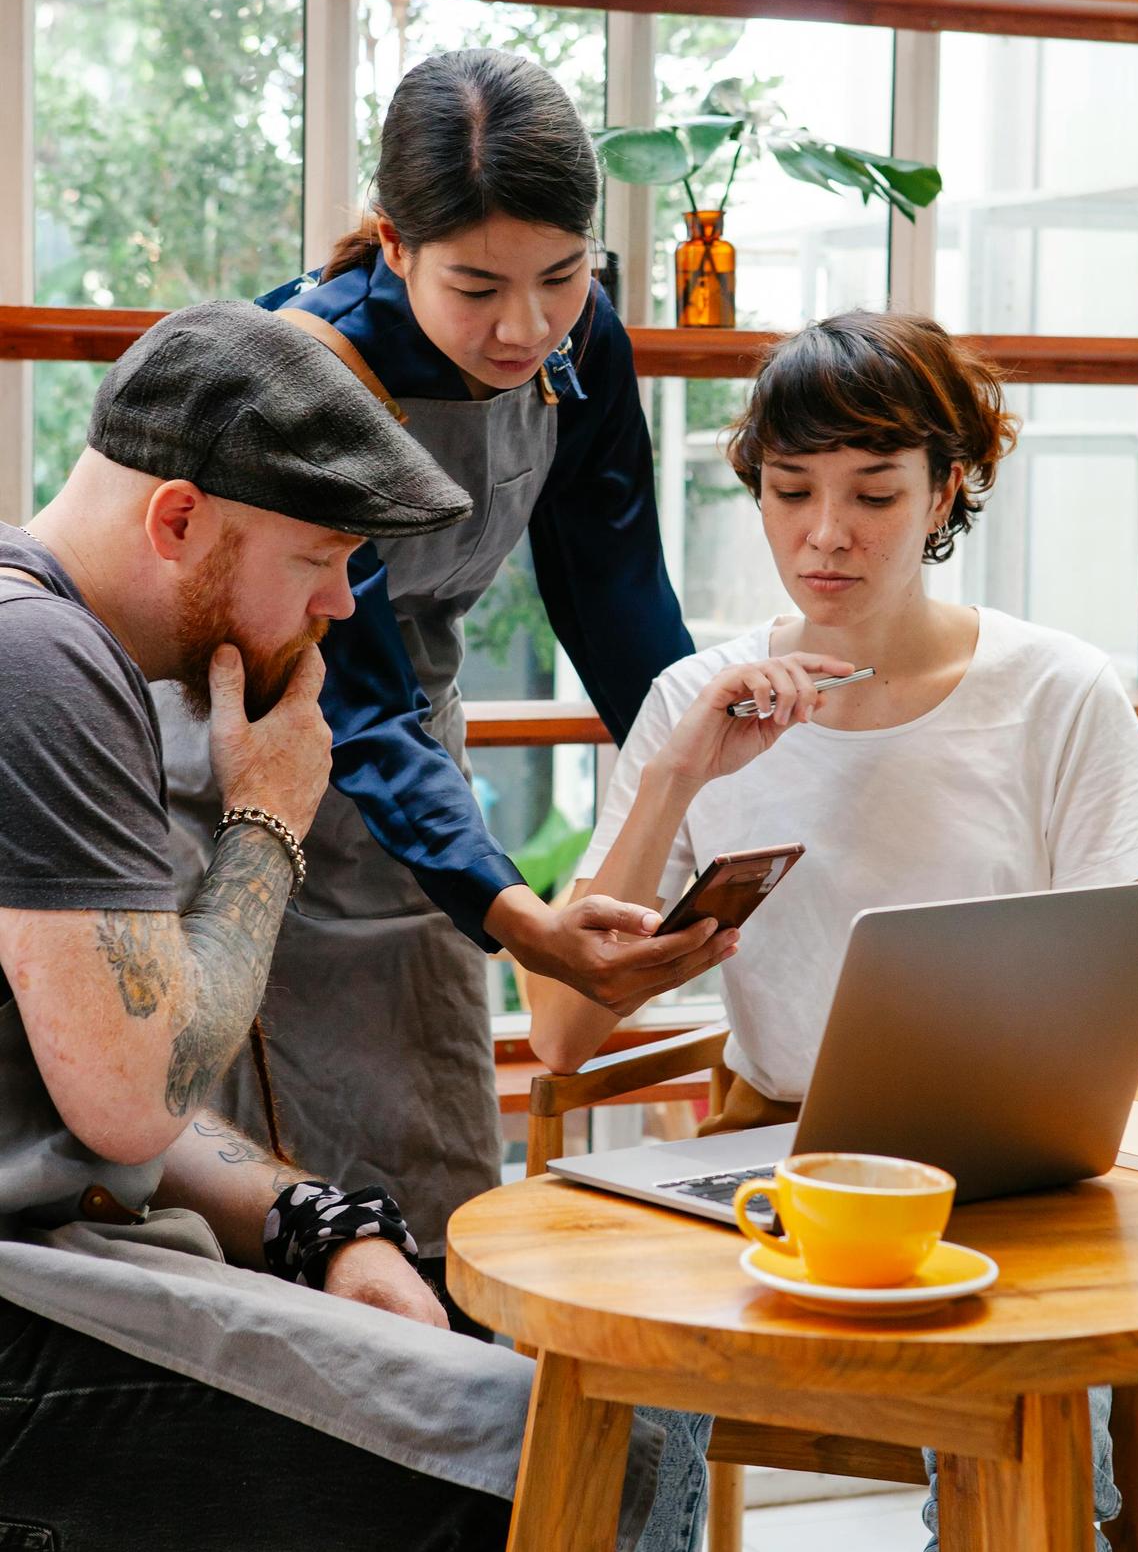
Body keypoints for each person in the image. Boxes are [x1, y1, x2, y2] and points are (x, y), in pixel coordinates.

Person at [0, 301, 707, 1551]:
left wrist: (311, 1221)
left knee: (596, 1410)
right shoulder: (39, 664)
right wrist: (269, 820)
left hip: (71, 1266)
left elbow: (76, 1082)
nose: (340, 603)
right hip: (26, 1320)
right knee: (601, 1445)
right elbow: (128, 1097)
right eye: (320, 556)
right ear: (178, 521)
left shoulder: (57, 648)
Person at [527, 309, 1138, 1549]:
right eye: (790, 491)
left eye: (872, 495)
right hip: (763, 1169)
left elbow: (1136, 995)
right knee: (610, 1372)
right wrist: (677, 772)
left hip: (997, 1182)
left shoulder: (1053, 691)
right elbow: (562, 1025)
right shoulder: (694, 699)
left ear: (947, 487)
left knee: (1035, 1431)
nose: (822, 534)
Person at [155, 49, 730, 1286]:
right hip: (252, 751)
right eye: (477, 285)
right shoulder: (310, 367)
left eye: (561, 276)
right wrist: (517, 912)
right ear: (393, 245)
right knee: (260, 1175)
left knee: (434, 1162)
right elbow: (345, 687)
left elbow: (616, 591)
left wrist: (710, 763)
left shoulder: (582, 349)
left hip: (416, 764)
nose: (524, 326)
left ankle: (455, 1441)